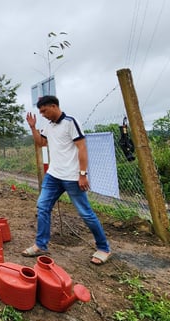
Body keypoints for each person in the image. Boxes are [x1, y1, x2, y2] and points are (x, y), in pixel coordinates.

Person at [22, 95, 112, 265]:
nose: (42, 114)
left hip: (72, 177)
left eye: (44, 111)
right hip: (54, 176)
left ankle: (103, 248)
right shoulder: (48, 126)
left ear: (54, 106)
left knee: (85, 213)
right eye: (40, 112)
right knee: (42, 207)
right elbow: (41, 143)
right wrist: (33, 128)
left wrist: (83, 174)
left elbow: (82, 148)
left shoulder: (71, 122)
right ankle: (41, 245)